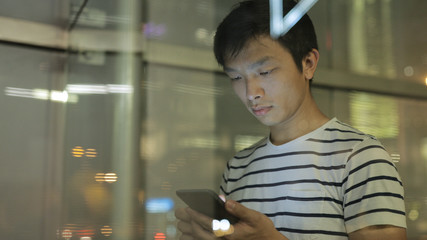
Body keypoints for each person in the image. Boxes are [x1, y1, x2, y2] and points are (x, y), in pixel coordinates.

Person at [175, 0, 407, 239]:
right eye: (236, 77)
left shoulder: (360, 157)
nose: (250, 92)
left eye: (264, 72)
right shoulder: (238, 167)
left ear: (308, 64)